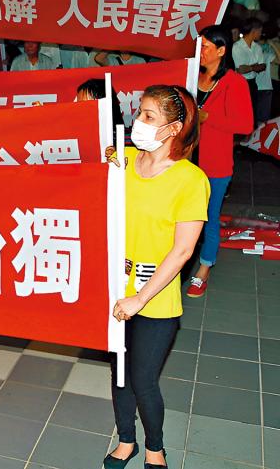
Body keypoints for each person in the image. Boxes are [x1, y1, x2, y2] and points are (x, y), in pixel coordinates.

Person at [105, 85, 209, 469]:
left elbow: (182, 251)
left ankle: (155, 449)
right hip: (116, 288)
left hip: (155, 297)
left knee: (143, 379)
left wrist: (140, 298)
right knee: (120, 375)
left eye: (149, 116)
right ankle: (126, 439)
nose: (139, 122)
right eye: (139, 113)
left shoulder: (190, 180)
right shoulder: (125, 160)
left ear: (173, 128)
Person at [187, 25, 253, 298]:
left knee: (209, 217)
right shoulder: (192, 76)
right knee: (184, 215)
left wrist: (208, 118)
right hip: (186, 161)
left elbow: (245, 125)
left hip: (215, 165)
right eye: (199, 45)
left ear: (222, 51)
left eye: (205, 47)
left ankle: (204, 269)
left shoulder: (234, 82)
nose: (200, 51)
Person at [232, 18, 265, 125]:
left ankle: (250, 133)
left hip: (252, 83)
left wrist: (249, 67)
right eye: (260, 31)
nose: (261, 33)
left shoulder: (257, 47)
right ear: (254, 31)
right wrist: (255, 67)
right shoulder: (237, 47)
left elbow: (263, 66)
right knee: (240, 112)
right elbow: (240, 69)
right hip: (239, 84)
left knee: (252, 112)